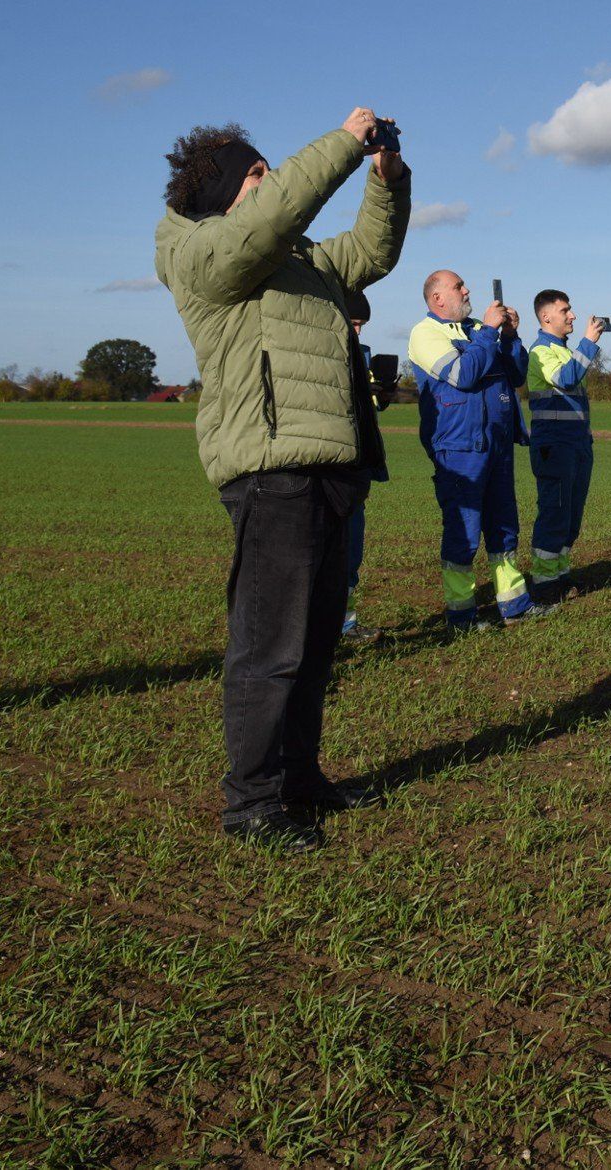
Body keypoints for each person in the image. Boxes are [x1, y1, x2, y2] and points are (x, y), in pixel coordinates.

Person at [154, 107, 409, 851]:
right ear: (225, 193)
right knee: (269, 651)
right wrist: (340, 142)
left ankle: (299, 778)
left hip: (331, 463)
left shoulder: (299, 260)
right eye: (256, 177)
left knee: (317, 642)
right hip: (271, 472)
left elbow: (370, 251)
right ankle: (252, 804)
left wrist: (385, 182)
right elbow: (266, 223)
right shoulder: (204, 254)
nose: (270, 188)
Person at [408, 271, 538, 632]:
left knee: (503, 527)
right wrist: (489, 334)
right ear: (437, 299)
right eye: (458, 286)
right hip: (458, 449)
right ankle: (462, 617)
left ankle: (514, 604)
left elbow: (515, 375)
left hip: (496, 446)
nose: (467, 291)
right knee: (463, 532)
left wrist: (510, 335)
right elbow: (462, 374)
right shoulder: (426, 333)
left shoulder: (482, 329)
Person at [527, 290, 607, 606]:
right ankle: (544, 587)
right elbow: (567, 378)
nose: (572, 315)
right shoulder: (541, 351)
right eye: (565, 310)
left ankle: (560, 578)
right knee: (554, 515)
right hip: (555, 448)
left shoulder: (563, 350)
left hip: (576, 446)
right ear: (547, 317)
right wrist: (589, 341)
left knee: (570, 517)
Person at [342, 288, 392, 643]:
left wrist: (382, 396)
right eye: (353, 323)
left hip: (357, 466)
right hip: (329, 466)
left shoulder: (362, 354)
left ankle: (344, 623)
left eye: (362, 325)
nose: (358, 332)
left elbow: (369, 408)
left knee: (350, 550)